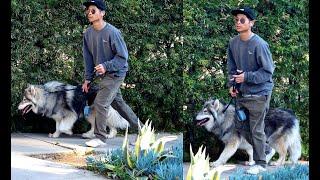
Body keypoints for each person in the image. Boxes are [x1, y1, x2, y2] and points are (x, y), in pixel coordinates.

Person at [81, 0, 140, 147]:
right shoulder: (88, 34)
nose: (89, 13)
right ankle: (144, 132)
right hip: (103, 74)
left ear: (102, 13)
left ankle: (100, 138)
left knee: (100, 103)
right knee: (119, 104)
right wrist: (88, 79)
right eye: (88, 10)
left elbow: (122, 57)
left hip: (116, 73)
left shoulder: (113, 32)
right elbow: (88, 58)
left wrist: (106, 66)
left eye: (93, 10)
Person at [227, 7, 275, 174]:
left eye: (242, 20)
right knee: (241, 127)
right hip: (241, 93)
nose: (238, 23)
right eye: (236, 20)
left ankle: (261, 163)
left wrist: (246, 77)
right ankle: (266, 150)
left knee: (256, 128)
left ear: (251, 23)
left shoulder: (260, 44)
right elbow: (232, 68)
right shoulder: (233, 43)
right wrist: (232, 85)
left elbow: (268, 71)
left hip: (259, 94)